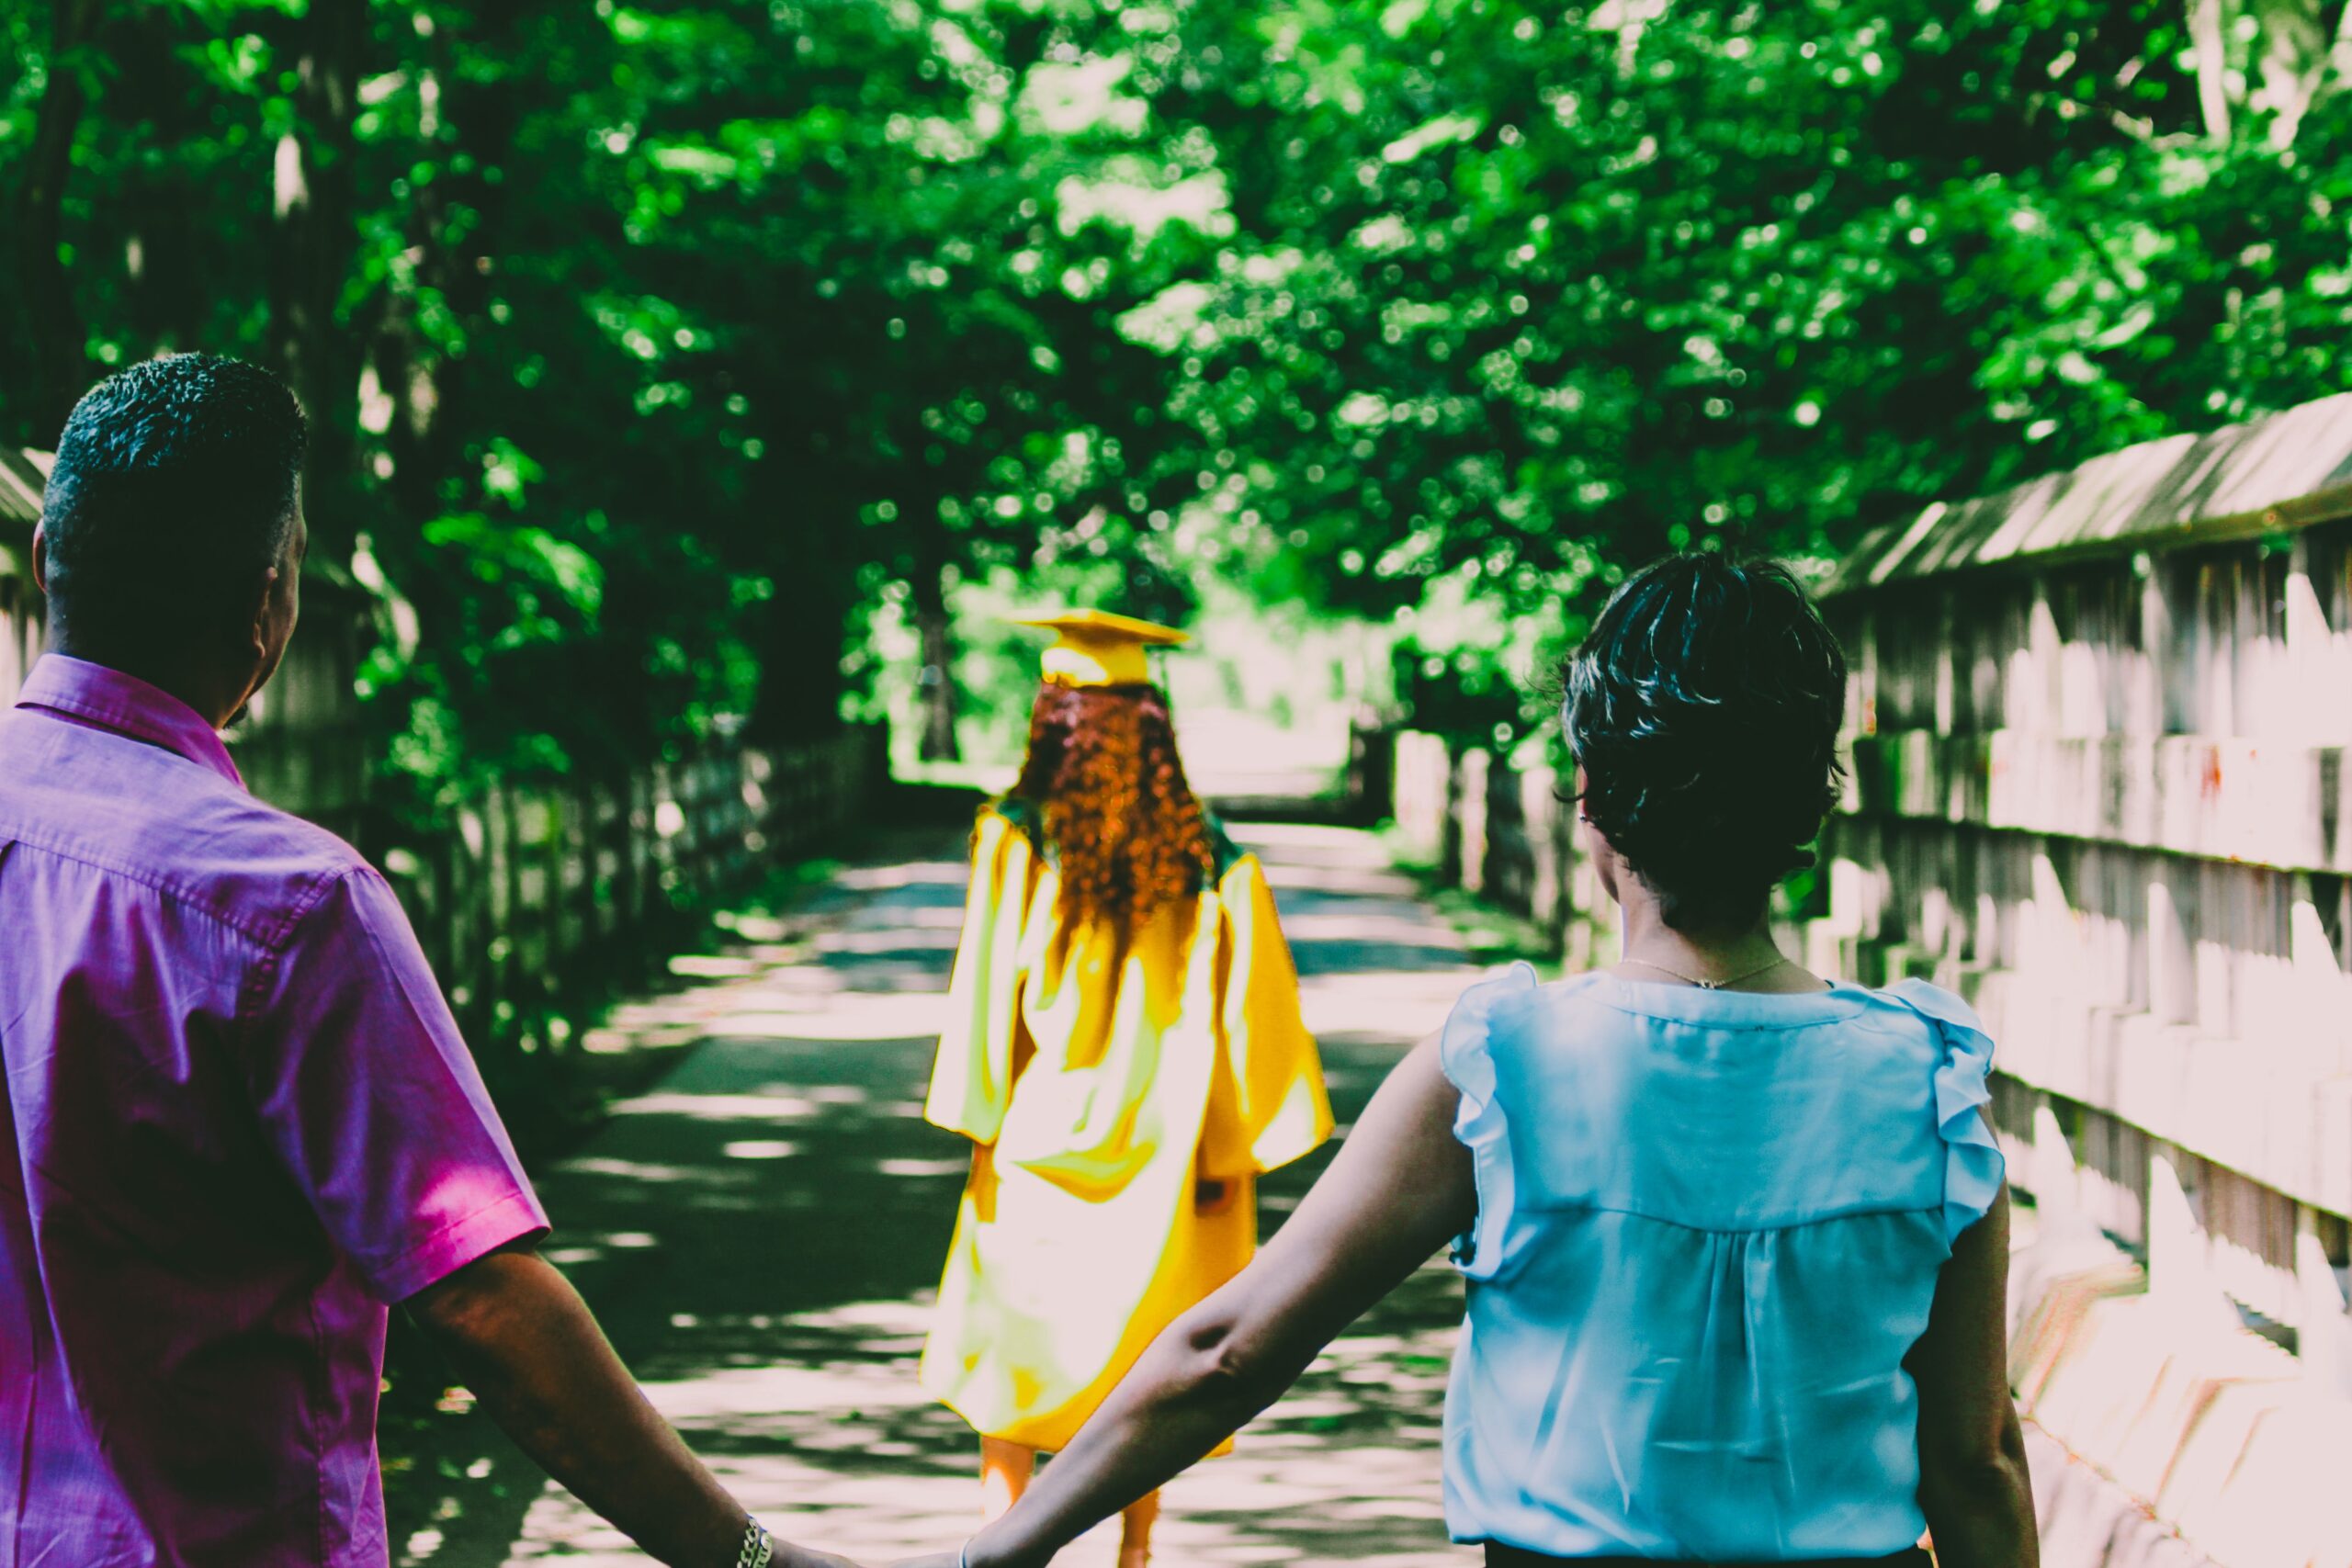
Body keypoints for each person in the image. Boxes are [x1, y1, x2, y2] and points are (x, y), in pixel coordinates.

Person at [902, 555, 2039, 1568]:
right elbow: (1976, 1463)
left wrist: (1003, 1548)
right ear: (1809, 798)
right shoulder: (1928, 1084)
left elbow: (1228, 1351)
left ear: (1589, 799)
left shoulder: (1506, 1064)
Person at [0, 355, 842, 1568]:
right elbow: (481, 1296)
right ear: (270, 600)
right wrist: (752, 1556)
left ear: (44, 566)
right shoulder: (285, 902)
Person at [919, 609, 1334, 1568]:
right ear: (1154, 726)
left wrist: (979, 1120)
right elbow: (1250, 1017)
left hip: (1036, 1146)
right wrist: (1231, 1153)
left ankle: (999, 1540)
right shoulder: (1209, 857)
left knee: (1012, 1367)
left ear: (1050, 719)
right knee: (1145, 1366)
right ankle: (1134, 1551)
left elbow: (986, 1007)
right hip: (1166, 1150)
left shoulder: (1017, 836)